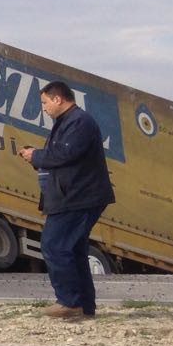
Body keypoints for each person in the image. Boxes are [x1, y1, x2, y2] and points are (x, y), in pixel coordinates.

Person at [19, 81, 116, 319]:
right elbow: (62, 155)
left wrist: (37, 155)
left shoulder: (79, 122)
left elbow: (66, 153)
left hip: (78, 197)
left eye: (44, 102)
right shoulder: (67, 122)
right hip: (73, 196)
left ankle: (69, 302)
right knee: (74, 249)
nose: (43, 108)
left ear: (57, 99)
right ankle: (84, 306)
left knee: (55, 245)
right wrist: (37, 158)